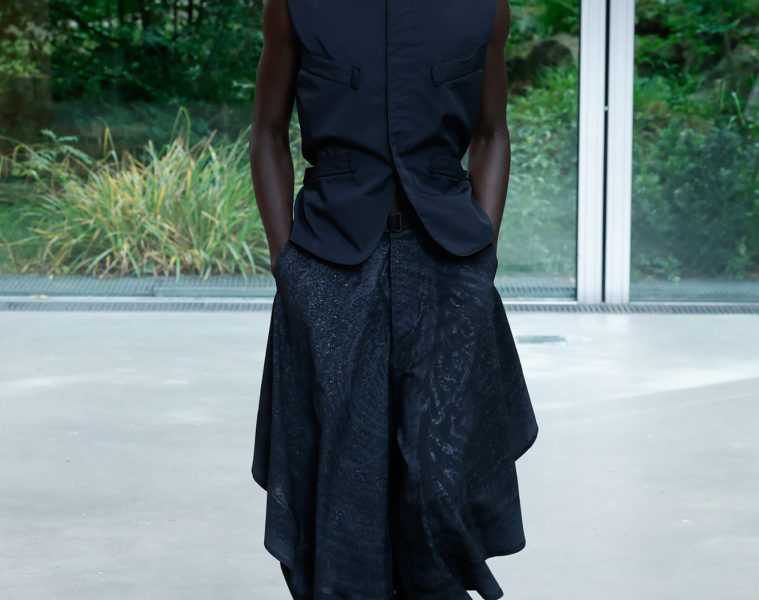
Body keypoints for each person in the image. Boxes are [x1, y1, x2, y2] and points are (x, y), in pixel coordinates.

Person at [249, 0, 539, 598]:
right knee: (341, 477)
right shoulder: (296, 5)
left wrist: (481, 258)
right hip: (328, 266)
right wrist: (288, 267)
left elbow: (491, 133)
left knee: (440, 478)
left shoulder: (483, 8)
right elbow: (268, 134)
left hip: (447, 269)